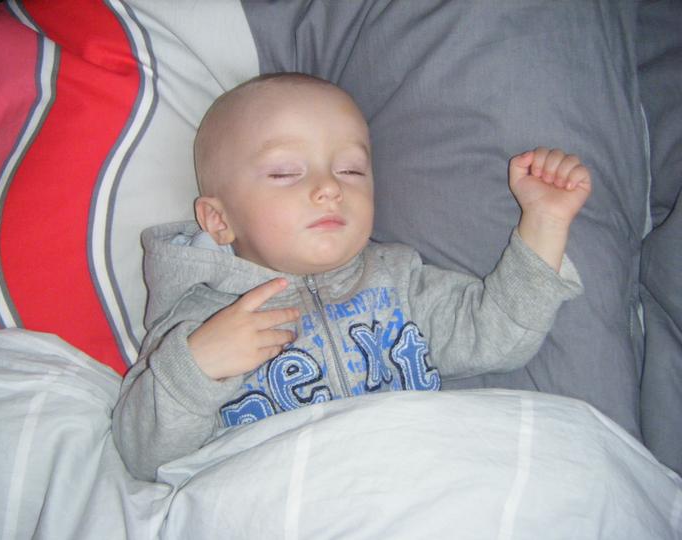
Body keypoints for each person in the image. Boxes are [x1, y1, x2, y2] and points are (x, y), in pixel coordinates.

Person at [112, 73, 589, 481]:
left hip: (413, 487)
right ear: (219, 220)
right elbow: (142, 457)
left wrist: (544, 223)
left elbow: (496, 336)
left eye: (350, 169)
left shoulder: (397, 282)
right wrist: (197, 367)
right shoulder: (196, 321)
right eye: (285, 172)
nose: (328, 187)